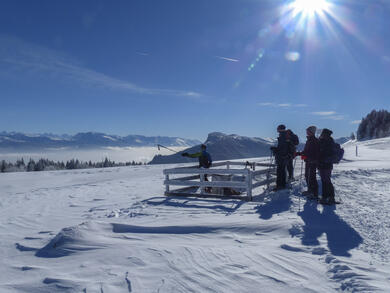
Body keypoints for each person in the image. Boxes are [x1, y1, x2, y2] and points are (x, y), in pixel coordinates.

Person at [297, 126, 319, 199]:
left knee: (312, 177)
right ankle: (310, 190)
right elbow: (306, 151)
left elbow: (314, 152)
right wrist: (299, 153)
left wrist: (305, 155)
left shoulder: (314, 140)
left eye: (308, 131)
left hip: (312, 161)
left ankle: (314, 193)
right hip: (308, 161)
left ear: (311, 132)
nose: (306, 132)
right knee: (307, 176)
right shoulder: (309, 140)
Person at [318, 128, 336, 204]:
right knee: (325, 180)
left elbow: (326, 153)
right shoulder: (325, 141)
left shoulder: (328, 142)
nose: (322, 135)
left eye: (323, 133)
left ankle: (327, 197)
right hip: (324, 164)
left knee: (326, 180)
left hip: (326, 164)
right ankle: (329, 197)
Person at [270, 124, 290, 190]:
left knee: (280, 171)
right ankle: (282, 184)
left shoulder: (282, 137)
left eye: (278, 128)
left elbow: (282, 149)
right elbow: (284, 148)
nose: (277, 129)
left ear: (280, 129)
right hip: (285, 157)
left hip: (281, 157)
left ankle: (279, 186)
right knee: (282, 171)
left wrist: (275, 150)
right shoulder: (286, 136)